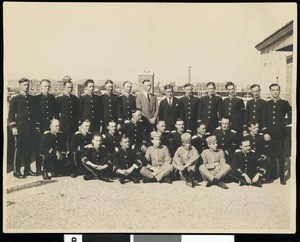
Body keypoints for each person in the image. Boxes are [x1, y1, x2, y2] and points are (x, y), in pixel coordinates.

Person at [8, 78, 39, 178]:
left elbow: (34, 114)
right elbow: (11, 114)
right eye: (24, 85)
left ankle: (27, 169)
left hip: (30, 128)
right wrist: (13, 127)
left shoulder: (32, 98)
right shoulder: (15, 98)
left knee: (28, 149)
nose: (26, 87)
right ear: (20, 86)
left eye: (27, 85)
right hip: (20, 128)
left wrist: (36, 126)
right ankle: (16, 171)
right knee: (19, 149)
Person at [262, 83, 292, 185]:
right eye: (273, 90)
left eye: (277, 90)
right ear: (270, 91)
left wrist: (286, 122)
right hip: (270, 134)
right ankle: (273, 174)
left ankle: (282, 178)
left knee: (281, 155)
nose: (275, 92)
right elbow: (264, 119)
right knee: (272, 155)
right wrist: (265, 132)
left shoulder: (284, 103)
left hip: (280, 134)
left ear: (279, 91)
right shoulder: (267, 104)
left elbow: (291, 113)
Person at [34, 79, 58, 174]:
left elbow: (55, 112)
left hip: (49, 126)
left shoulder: (52, 97)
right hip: (40, 126)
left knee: (49, 146)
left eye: (48, 86)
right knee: (39, 147)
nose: (47, 88)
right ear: (41, 87)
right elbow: (34, 113)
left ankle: (47, 168)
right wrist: (37, 125)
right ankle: (39, 168)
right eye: (45, 86)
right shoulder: (37, 98)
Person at [56, 76, 79, 148]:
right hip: (64, 124)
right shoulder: (60, 98)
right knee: (63, 142)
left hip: (73, 124)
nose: (70, 89)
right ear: (64, 87)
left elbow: (76, 111)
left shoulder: (74, 98)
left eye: (71, 87)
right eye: (68, 87)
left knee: (73, 142)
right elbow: (56, 112)